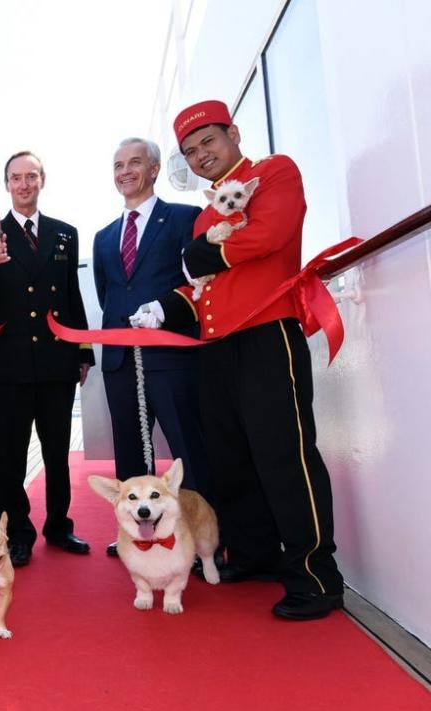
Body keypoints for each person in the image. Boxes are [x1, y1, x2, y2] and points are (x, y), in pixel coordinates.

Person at [133, 100, 344, 620]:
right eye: (190, 151)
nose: (201, 156)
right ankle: (252, 555)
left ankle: (315, 577)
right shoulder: (207, 211)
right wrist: (166, 306)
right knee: (233, 460)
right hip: (216, 347)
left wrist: (201, 253)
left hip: (268, 336)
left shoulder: (274, 172)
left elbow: (268, 233)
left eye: (208, 142)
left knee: (286, 458)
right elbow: (204, 286)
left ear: (233, 133)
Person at [0, 151, 95, 567]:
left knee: (57, 453)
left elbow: (72, 293)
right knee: (10, 457)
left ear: (42, 180)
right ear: (6, 184)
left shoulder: (64, 233)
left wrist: (84, 349)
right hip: (11, 364)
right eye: (16, 178)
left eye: (31, 176)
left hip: (57, 361)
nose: (24, 184)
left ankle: (59, 526)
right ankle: (16, 532)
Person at [92, 137, 211, 558]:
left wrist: (163, 310)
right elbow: (109, 296)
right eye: (118, 164)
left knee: (188, 450)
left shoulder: (184, 218)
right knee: (129, 451)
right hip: (122, 360)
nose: (125, 172)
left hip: (171, 357)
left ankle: (197, 538)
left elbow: (198, 283)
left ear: (155, 169)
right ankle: (136, 536)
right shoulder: (104, 237)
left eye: (135, 163)